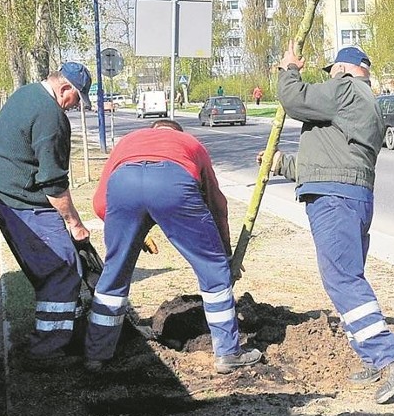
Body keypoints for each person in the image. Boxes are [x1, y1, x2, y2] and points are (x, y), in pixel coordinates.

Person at [269, 41, 394, 404]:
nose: (330, 76)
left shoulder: (346, 89)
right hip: (351, 197)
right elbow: (333, 160)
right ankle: (373, 356)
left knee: (342, 279)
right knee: (348, 278)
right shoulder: (368, 107)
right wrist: (283, 165)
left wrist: (289, 69)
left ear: (343, 69)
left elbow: (294, 98)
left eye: (332, 70)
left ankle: (390, 355)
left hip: (335, 201)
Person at [84, 119, 262, 374]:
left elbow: (101, 203)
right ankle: (228, 353)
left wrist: (133, 231)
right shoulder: (191, 143)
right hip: (172, 183)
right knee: (213, 272)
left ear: (153, 129)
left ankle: (96, 355)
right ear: (178, 132)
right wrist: (223, 253)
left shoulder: (127, 141)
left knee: (114, 274)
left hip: (124, 184)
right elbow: (216, 204)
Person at [0, 61, 93, 367]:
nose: (74, 107)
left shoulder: (27, 93)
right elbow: (53, 184)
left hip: (4, 193)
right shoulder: (51, 116)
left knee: (55, 267)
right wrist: (75, 223)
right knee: (62, 267)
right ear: (65, 88)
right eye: (76, 100)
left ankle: (58, 331)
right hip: (23, 201)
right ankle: (46, 350)